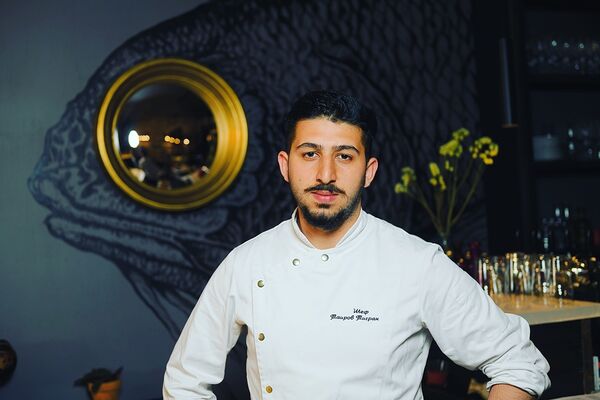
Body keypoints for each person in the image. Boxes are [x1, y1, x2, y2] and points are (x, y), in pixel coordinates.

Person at [163, 91, 550, 399]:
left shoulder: (417, 263)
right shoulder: (247, 263)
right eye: (310, 154)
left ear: (369, 171)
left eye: (344, 157)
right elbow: (184, 381)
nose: (325, 174)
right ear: (285, 165)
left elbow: (518, 361)